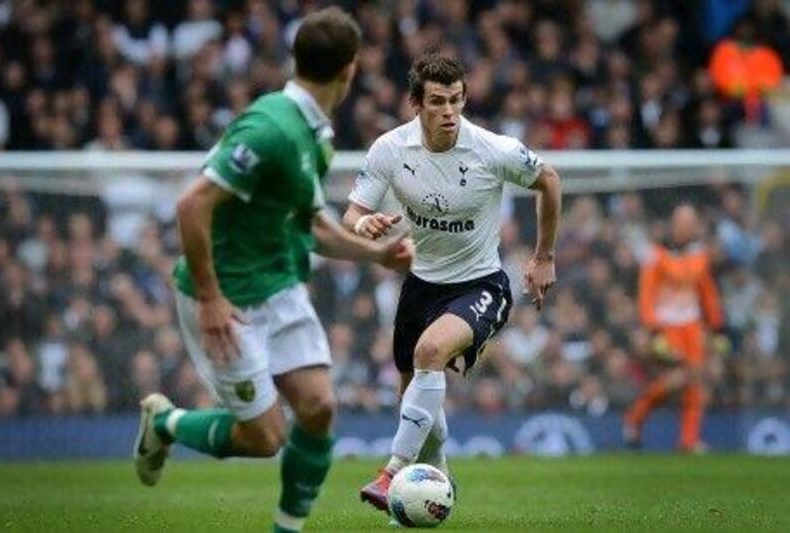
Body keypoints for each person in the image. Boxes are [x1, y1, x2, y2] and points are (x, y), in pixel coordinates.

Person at [132, 8, 413, 533]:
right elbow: (192, 205)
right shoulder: (270, 127)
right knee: (264, 438)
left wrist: (376, 254)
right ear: (350, 70)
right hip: (227, 297)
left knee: (319, 408)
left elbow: (313, 226)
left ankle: (286, 530)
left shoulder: (314, 135)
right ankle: (165, 421)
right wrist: (213, 298)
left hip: (279, 286)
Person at [342, 52, 562, 512]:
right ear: (415, 103)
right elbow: (353, 212)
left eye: (457, 100)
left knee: (429, 353)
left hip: (481, 284)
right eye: (438, 101)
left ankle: (390, 473)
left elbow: (550, 181)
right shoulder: (389, 150)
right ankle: (436, 471)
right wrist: (363, 227)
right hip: (420, 287)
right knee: (414, 399)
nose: (449, 112)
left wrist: (543, 256)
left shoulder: (493, 150)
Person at [623, 204, 726, 453]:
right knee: (675, 379)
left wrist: (716, 325)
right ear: (674, 223)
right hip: (665, 324)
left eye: (691, 222)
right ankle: (635, 417)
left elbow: (707, 292)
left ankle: (688, 440)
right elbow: (646, 293)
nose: (686, 227)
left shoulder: (700, 254)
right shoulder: (657, 253)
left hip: (691, 325)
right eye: (682, 222)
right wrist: (651, 327)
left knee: (694, 381)